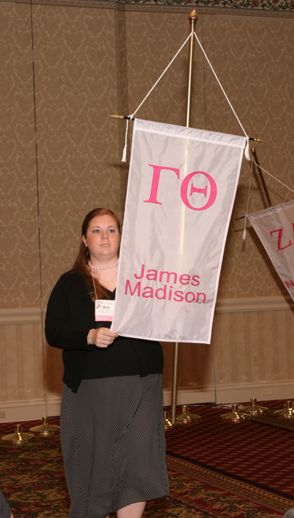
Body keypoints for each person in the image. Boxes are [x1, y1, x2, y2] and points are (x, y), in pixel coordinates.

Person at [45, 208, 169, 518]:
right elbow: (53, 331)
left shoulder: (143, 279)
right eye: (97, 231)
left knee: (138, 461)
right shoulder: (70, 283)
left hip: (142, 384)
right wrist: (88, 335)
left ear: (120, 237)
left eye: (111, 230)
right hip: (92, 389)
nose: (104, 236)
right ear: (84, 240)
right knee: (95, 464)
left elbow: (165, 318)